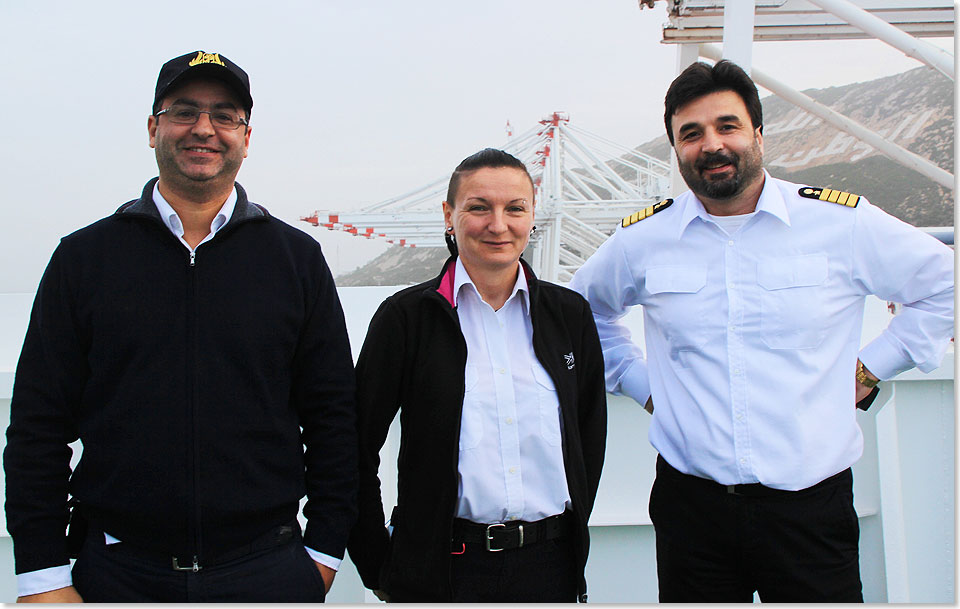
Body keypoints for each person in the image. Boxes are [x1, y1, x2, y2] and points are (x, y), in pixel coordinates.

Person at [570, 60, 954, 602]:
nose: (712, 145)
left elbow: (945, 283)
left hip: (810, 510)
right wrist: (643, 384)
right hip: (691, 508)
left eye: (727, 126)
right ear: (676, 149)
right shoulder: (643, 240)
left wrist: (873, 366)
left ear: (758, 134)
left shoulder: (839, 223)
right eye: (691, 134)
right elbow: (584, 313)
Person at [4, 50, 358, 602]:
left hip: (267, 570)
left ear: (246, 135)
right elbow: (36, 425)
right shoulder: (84, 259)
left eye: (224, 116)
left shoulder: (297, 260)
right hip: (117, 572)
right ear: (153, 128)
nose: (203, 129)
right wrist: (42, 574)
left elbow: (334, 415)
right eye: (183, 111)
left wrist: (324, 552)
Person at [347, 148, 607, 602]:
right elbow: (354, 446)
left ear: (532, 216)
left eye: (515, 208)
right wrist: (377, 562)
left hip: (550, 569)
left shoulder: (569, 316)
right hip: (444, 572)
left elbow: (589, 437)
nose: (498, 224)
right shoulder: (406, 319)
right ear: (449, 215)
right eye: (479, 207)